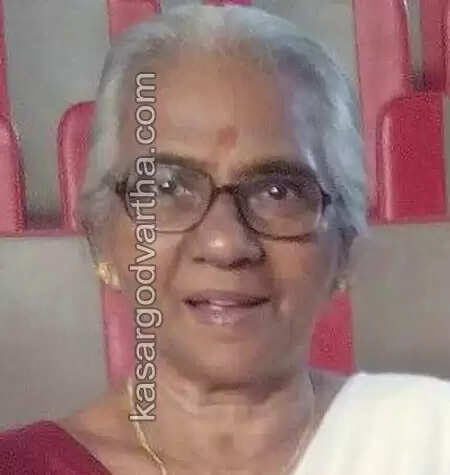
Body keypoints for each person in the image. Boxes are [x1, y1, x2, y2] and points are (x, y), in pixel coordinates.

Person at [1, 4, 450, 474]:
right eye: (167, 188)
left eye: (278, 192)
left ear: (345, 249)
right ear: (101, 239)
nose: (225, 244)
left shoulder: (431, 441)